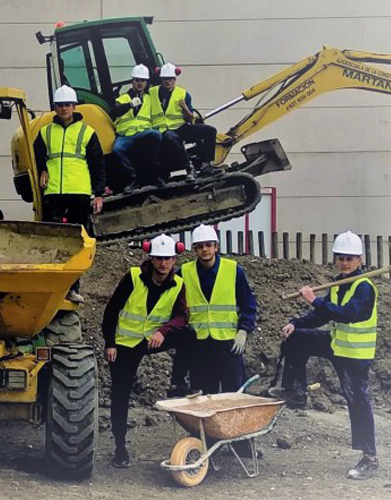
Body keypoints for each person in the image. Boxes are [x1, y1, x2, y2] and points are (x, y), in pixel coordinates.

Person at [269, 231, 379, 480]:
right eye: (340, 258)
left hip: (355, 354)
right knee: (296, 338)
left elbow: (347, 314)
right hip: (336, 344)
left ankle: (369, 458)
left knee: (358, 400)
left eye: (349, 258)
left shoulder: (365, 288)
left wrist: (315, 301)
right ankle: (296, 391)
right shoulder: (339, 284)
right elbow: (322, 317)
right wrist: (296, 323)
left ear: (360, 260)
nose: (344, 262)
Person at [102, 234, 191, 469]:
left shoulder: (178, 284)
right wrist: (110, 343)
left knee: (190, 336)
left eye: (168, 259)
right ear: (150, 258)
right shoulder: (133, 277)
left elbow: (182, 317)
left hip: (152, 339)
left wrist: (164, 331)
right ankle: (120, 447)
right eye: (159, 258)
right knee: (121, 393)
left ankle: (178, 382)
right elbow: (111, 311)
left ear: (175, 259)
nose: (163, 263)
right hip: (125, 344)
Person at [33, 85, 106, 302]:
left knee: (76, 244)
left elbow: (98, 165)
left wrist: (99, 193)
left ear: (74, 106)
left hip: (79, 193)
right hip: (54, 191)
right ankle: (49, 287)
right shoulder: (45, 132)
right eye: (60, 105)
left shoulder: (87, 132)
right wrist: (43, 170)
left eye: (67, 105)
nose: (64, 108)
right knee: (51, 241)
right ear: (55, 107)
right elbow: (37, 156)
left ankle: (73, 288)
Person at [180, 224, 257, 395]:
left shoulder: (232, 270)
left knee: (234, 394)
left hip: (228, 343)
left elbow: (248, 303)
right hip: (200, 344)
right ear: (194, 250)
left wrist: (243, 330)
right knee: (206, 396)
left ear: (216, 246)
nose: (205, 250)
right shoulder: (185, 272)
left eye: (208, 245)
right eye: (200, 246)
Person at [150, 63, 217, 180]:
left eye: (170, 79)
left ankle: (206, 164)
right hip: (162, 129)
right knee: (171, 137)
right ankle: (188, 167)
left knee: (210, 131)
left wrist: (185, 108)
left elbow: (190, 118)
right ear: (161, 79)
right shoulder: (152, 93)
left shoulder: (183, 94)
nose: (167, 81)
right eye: (165, 79)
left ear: (174, 80)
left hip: (180, 127)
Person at [110, 64, 162, 191]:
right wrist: (129, 105)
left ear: (146, 82)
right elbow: (114, 111)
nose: (140, 83)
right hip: (126, 135)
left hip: (143, 132)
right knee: (117, 149)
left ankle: (154, 173)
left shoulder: (149, 99)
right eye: (137, 80)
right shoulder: (123, 98)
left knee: (156, 135)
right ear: (132, 82)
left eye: (143, 81)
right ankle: (134, 177)